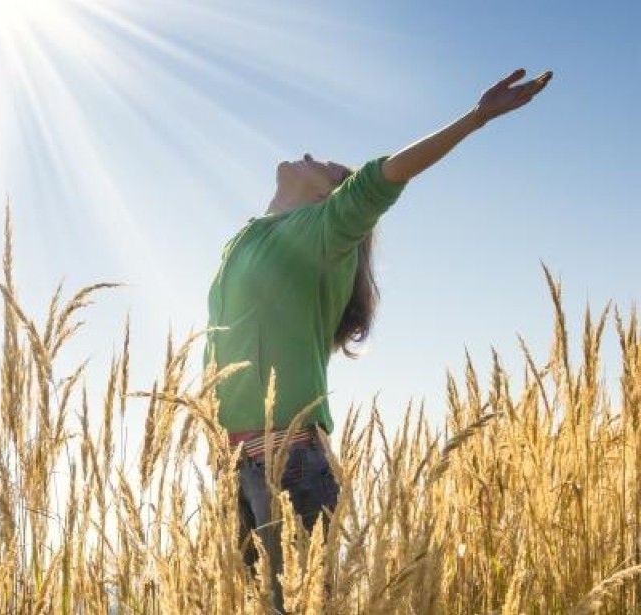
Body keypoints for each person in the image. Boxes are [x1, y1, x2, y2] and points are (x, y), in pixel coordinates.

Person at [203, 68, 552, 613]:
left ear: (329, 197)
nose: (310, 154)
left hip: (291, 465)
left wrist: (477, 117)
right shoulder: (244, 238)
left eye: (322, 165)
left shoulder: (322, 233)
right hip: (240, 467)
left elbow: (384, 177)